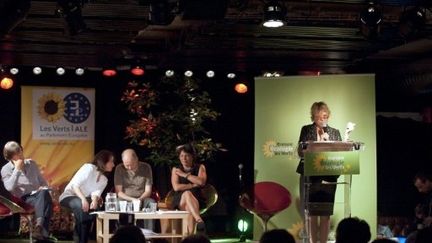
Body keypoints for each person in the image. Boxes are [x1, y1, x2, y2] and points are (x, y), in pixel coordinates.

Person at [296, 101, 342, 243]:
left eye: (325, 115)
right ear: (314, 116)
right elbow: (300, 152)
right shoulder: (306, 130)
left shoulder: (335, 132)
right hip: (310, 175)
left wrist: (328, 144)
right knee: (311, 213)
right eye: (320, 116)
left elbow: (340, 154)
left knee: (325, 212)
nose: (323, 118)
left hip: (329, 175)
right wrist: (316, 144)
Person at [59, 150, 115, 243]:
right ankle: (83, 238)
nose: (113, 164)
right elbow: (75, 185)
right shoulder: (89, 168)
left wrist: (95, 201)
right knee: (81, 205)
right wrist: (83, 199)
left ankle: (82, 238)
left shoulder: (104, 180)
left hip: (84, 201)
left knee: (95, 207)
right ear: (103, 161)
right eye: (111, 161)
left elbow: (95, 193)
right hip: (69, 196)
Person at [1, 141, 53, 240]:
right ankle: (42, 235)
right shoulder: (6, 169)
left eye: (21, 152)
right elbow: (9, 187)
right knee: (47, 201)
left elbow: (42, 181)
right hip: (23, 200)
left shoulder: (32, 163)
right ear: (11, 157)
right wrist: (16, 170)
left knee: (44, 194)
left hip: (39, 195)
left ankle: (38, 228)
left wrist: (44, 187)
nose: (21, 156)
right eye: (17, 154)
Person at [114, 148, 155, 230]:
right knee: (118, 202)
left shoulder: (146, 167)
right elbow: (119, 192)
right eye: (126, 165)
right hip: (125, 199)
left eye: (131, 164)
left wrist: (139, 200)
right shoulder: (119, 168)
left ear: (137, 159)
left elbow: (148, 191)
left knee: (151, 203)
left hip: (142, 198)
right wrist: (132, 200)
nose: (129, 167)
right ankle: (122, 233)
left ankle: (149, 235)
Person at [171, 143, 207, 234]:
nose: (184, 158)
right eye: (181, 156)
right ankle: (199, 219)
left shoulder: (200, 167)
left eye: (186, 155)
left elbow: (201, 182)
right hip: (180, 200)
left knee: (189, 208)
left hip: (196, 199)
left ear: (192, 156)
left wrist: (184, 175)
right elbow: (176, 187)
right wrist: (192, 185)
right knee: (187, 194)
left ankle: (188, 237)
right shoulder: (175, 169)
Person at [406, 171, 432, 243]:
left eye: (420, 187)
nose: (419, 191)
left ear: (427, 181)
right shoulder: (427, 196)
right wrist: (421, 216)